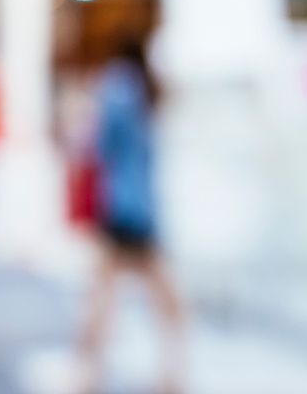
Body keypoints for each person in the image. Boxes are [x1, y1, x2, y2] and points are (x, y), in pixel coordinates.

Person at [76, 39, 183, 394]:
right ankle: (171, 370)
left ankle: (89, 374)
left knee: (102, 292)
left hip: (120, 203)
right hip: (145, 205)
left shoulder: (116, 85)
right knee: (159, 292)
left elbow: (99, 145)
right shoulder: (146, 87)